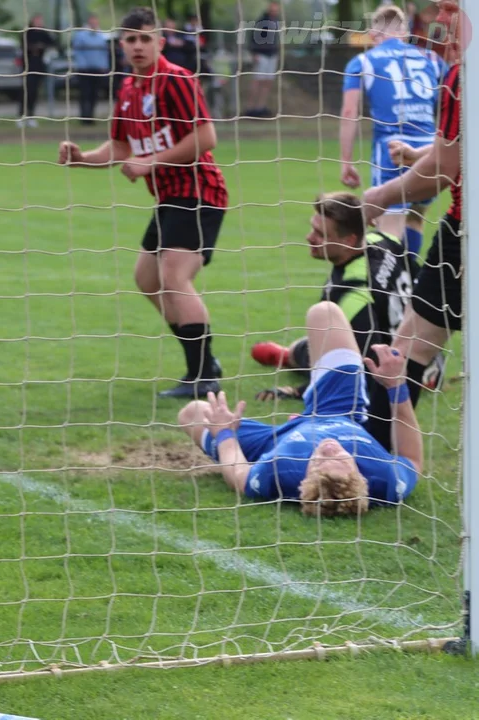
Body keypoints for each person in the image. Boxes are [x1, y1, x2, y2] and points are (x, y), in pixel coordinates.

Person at [58, 6, 229, 399]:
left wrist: (150, 161)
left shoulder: (176, 80)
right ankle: (204, 359)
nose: (138, 46)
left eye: (145, 38)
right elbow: (120, 146)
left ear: (160, 42)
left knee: (174, 276)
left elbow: (206, 138)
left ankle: (203, 376)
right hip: (170, 197)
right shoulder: (129, 90)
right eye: (131, 40)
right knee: (147, 280)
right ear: (122, 45)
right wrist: (82, 158)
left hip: (200, 191)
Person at [180, 302, 422, 516]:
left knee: (193, 413)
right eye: (341, 459)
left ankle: (293, 357)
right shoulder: (386, 480)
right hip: (339, 410)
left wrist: (224, 434)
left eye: (319, 461)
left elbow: (240, 477)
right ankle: (295, 356)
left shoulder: (280, 471)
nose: (329, 449)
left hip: (274, 441)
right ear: (360, 475)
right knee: (324, 313)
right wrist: (396, 385)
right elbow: (412, 458)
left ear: (305, 478)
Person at [249, 192, 442, 452]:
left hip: (397, 370)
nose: (309, 237)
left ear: (349, 240)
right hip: (425, 353)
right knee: (311, 344)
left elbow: (361, 369)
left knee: (323, 344)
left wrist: (300, 392)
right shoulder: (382, 239)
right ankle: (288, 355)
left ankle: (289, 355)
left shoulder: (350, 295)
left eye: (320, 234)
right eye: (313, 228)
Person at [362, 0, 462, 397]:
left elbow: (442, 171)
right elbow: (454, 153)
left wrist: (380, 196)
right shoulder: (443, 69)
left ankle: (384, 450)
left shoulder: (459, 75)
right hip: (430, 165)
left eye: (449, 9)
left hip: (464, 230)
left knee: (403, 354)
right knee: (403, 351)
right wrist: (423, 154)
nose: (438, 19)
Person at [339, 5, 444, 258]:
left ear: (373, 34)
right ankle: (410, 282)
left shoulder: (363, 61)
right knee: (416, 217)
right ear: (406, 32)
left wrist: (346, 161)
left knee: (389, 228)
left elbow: (350, 112)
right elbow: (449, 104)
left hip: (393, 149)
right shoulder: (432, 59)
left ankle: (391, 292)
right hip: (430, 150)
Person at [71, 13, 111, 123]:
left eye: (96, 21)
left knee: (94, 94)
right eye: (92, 21)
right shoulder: (81, 35)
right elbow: (77, 52)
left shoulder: (101, 36)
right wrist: (81, 65)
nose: (94, 23)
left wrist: (104, 66)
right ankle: (84, 117)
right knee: (85, 94)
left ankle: (91, 117)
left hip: (97, 70)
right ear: (89, 22)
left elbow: (104, 53)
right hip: (84, 70)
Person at [244, 1, 281, 118]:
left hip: (272, 55)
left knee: (267, 82)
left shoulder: (276, 21)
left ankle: (261, 107)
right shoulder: (261, 21)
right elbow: (253, 37)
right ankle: (250, 108)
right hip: (262, 55)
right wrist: (254, 53)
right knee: (257, 81)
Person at [17, 13, 55, 127]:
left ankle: (31, 116)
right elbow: (23, 46)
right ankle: (21, 116)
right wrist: (33, 48)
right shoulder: (27, 33)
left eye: (41, 20)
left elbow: (53, 44)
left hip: (39, 67)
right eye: (37, 20)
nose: (39, 22)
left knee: (34, 93)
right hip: (28, 67)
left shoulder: (44, 33)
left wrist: (42, 47)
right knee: (25, 91)